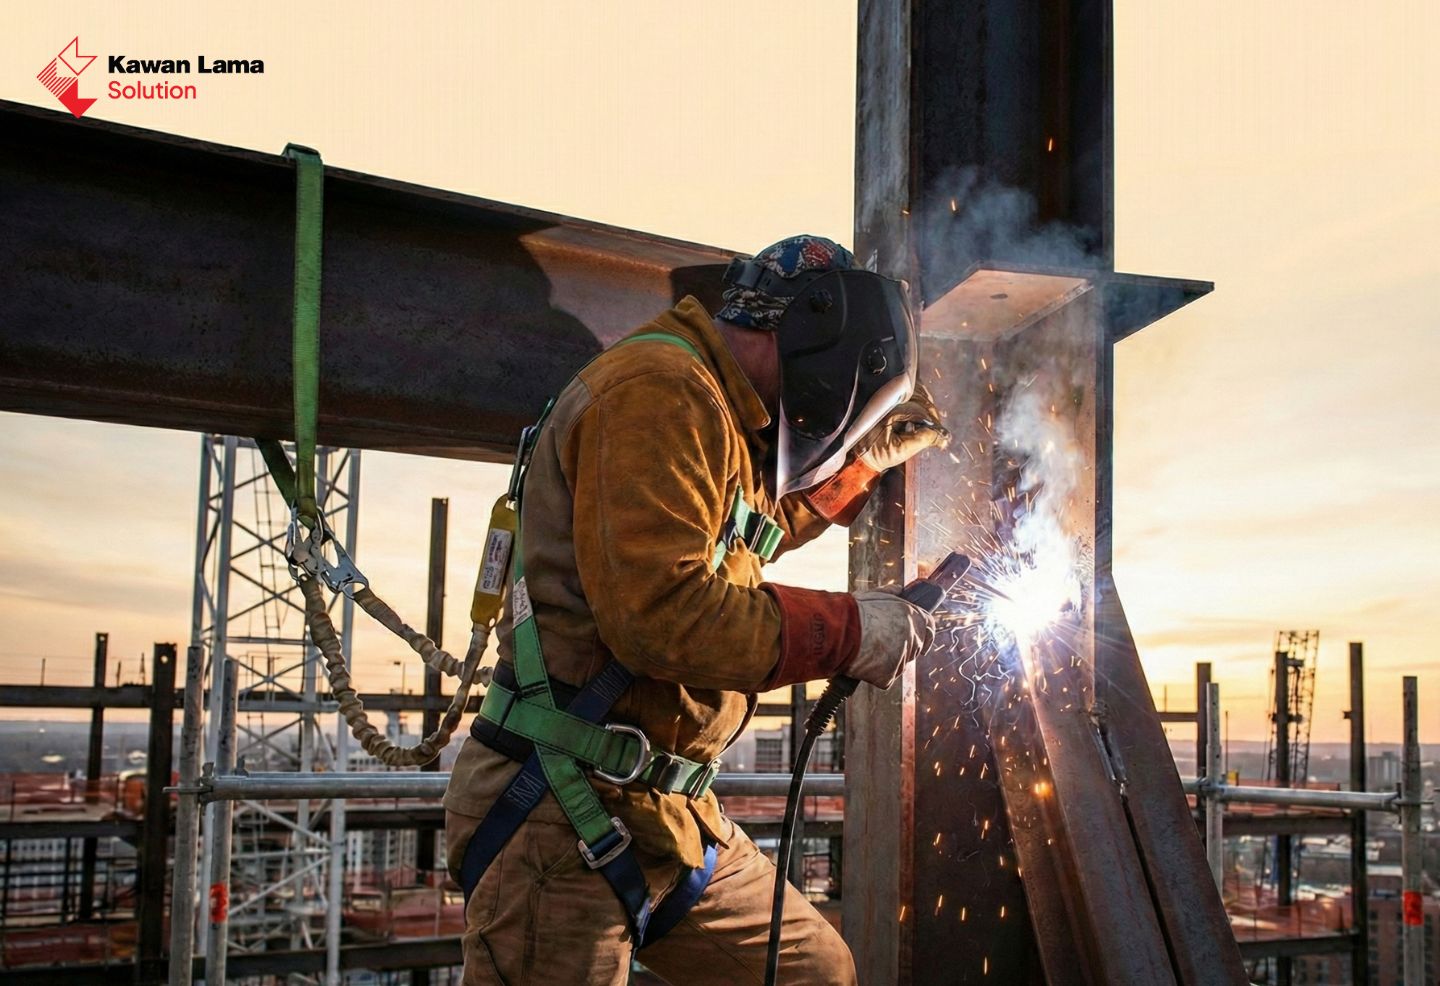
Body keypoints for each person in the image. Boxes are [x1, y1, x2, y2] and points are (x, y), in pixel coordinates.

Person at [443, 234, 948, 985]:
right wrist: (847, 632)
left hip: (666, 810)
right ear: (817, 343)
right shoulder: (659, 389)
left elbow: (743, 537)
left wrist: (859, 467)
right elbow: (663, 614)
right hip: (558, 807)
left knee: (810, 973)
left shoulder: (719, 410)